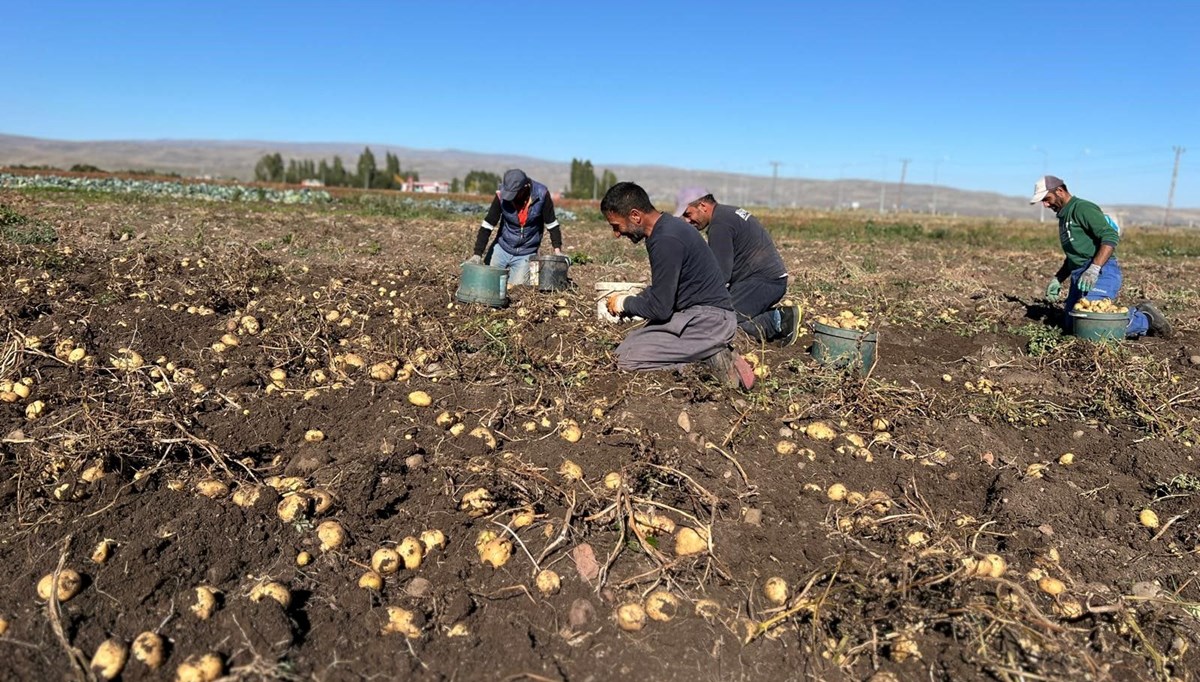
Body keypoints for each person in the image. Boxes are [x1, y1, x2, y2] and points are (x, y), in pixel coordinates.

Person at [600, 182, 755, 389]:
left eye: (616, 226)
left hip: (708, 322)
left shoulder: (665, 239)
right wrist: (641, 297)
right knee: (634, 341)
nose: (617, 234)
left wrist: (624, 303)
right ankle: (706, 352)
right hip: (702, 316)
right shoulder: (667, 228)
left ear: (635, 216)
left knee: (624, 358)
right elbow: (668, 289)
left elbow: (660, 309)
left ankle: (706, 364)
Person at [1031, 175, 1171, 338]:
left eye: (1046, 199)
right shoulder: (1064, 218)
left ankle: (1145, 318)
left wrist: (1094, 268)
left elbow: (1110, 236)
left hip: (1101, 271)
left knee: (1092, 325)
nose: (1045, 205)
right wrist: (1058, 278)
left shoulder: (1082, 208)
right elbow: (1075, 255)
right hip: (1079, 276)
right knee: (1073, 325)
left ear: (1060, 191)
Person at [676, 187, 801, 345]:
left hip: (763, 283)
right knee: (716, 317)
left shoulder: (720, 225)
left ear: (702, 206)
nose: (687, 220)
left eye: (688, 214)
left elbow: (721, 274)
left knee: (717, 324)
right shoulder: (727, 213)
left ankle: (777, 320)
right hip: (764, 280)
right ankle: (771, 316)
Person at [467, 169, 563, 285]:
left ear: (525, 187)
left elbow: (552, 224)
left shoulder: (542, 194)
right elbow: (488, 224)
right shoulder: (501, 195)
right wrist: (477, 254)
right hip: (502, 247)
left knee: (519, 288)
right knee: (489, 283)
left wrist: (558, 251)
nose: (510, 197)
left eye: (515, 194)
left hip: (527, 251)